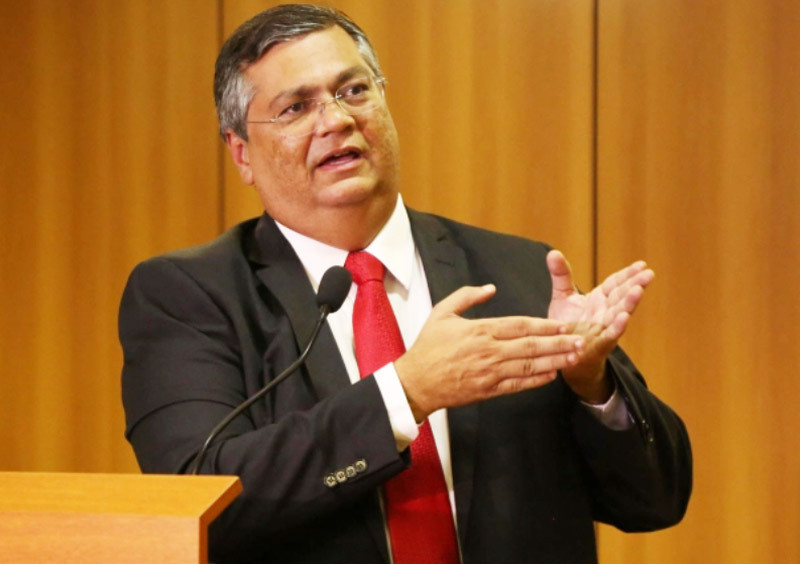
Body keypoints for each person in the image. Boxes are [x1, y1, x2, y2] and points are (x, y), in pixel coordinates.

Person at [119, 5, 691, 563]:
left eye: (353, 90)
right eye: (296, 107)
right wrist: (405, 393)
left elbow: (658, 500)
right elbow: (197, 504)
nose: (336, 120)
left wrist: (592, 383)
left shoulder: (518, 271)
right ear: (242, 152)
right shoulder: (188, 296)